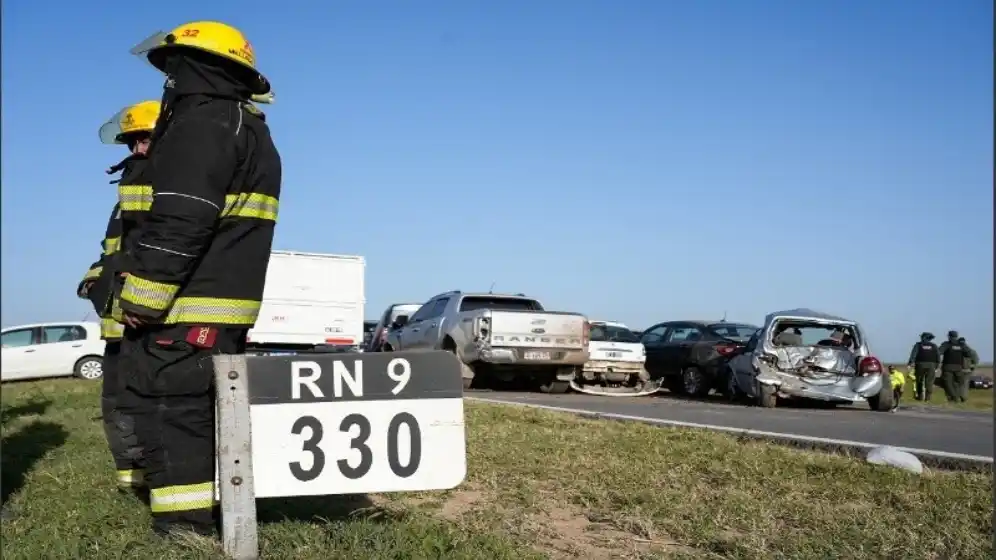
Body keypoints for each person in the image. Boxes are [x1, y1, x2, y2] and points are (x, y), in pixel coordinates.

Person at [114, 20, 282, 538]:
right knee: (204, 415)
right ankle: (211, 515)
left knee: (175, 414)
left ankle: (185, 529)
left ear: (191, 69)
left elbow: (183, 218)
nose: (168, 81)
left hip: (186, 309)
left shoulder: (204, 123)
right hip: (215, 309)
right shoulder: (243, 124)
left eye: (172, 70)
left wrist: (143, 296)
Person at [77, 99, 161, 495]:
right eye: (131, 142)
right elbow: (113, 251)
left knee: (151, 403)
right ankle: (132, 481)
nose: (136, 149)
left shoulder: (167, 184)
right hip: (118, 322)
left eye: (145, 139)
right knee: (117, 402)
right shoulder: (127, 191)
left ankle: (159, 478)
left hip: (148, 318)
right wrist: (94, 278)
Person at [907, 331, 939, 401]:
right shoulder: (934, 346)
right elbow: (938, 357)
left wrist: (910, 363)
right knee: (929, 382)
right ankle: (928, 398)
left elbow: (913, 354)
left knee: (919, 381)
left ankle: (920, 396)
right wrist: (937, 366)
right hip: (931, 365)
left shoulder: (918, 345)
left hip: (920, 365)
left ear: (923, 337)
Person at [938, 330, 966, 402]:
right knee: (960, 383)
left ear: (949, 337)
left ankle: (954, 397)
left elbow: (939, 352)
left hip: (948, 367)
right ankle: (958, 396)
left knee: (948, 383)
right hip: (959, 367)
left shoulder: (946, 344)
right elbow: (968, 353)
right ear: (956, 336)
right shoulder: (961, 345)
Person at [954, 336, 979, 403]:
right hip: (968, 370)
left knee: (957, 384)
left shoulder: (956, 350)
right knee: (965, 384)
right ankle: (963, 398)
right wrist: (972, 368)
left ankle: (958, 398)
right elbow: (976, 361)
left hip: (959, 370)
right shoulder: (972, 351)